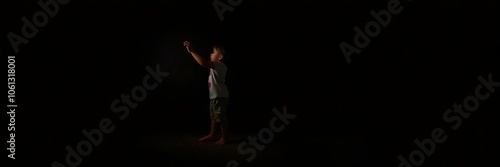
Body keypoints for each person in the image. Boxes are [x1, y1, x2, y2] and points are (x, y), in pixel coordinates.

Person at [183, 40, 229, 145]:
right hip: (215, 96)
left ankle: (224, 138)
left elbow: (203, 63)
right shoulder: (215, 67)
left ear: (220, 57)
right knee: (214, 116)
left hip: (220, 96)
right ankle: (212, 135)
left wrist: (192, 51)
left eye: (213, 52)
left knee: (221, 117)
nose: (210, 53)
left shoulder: (220, 66)